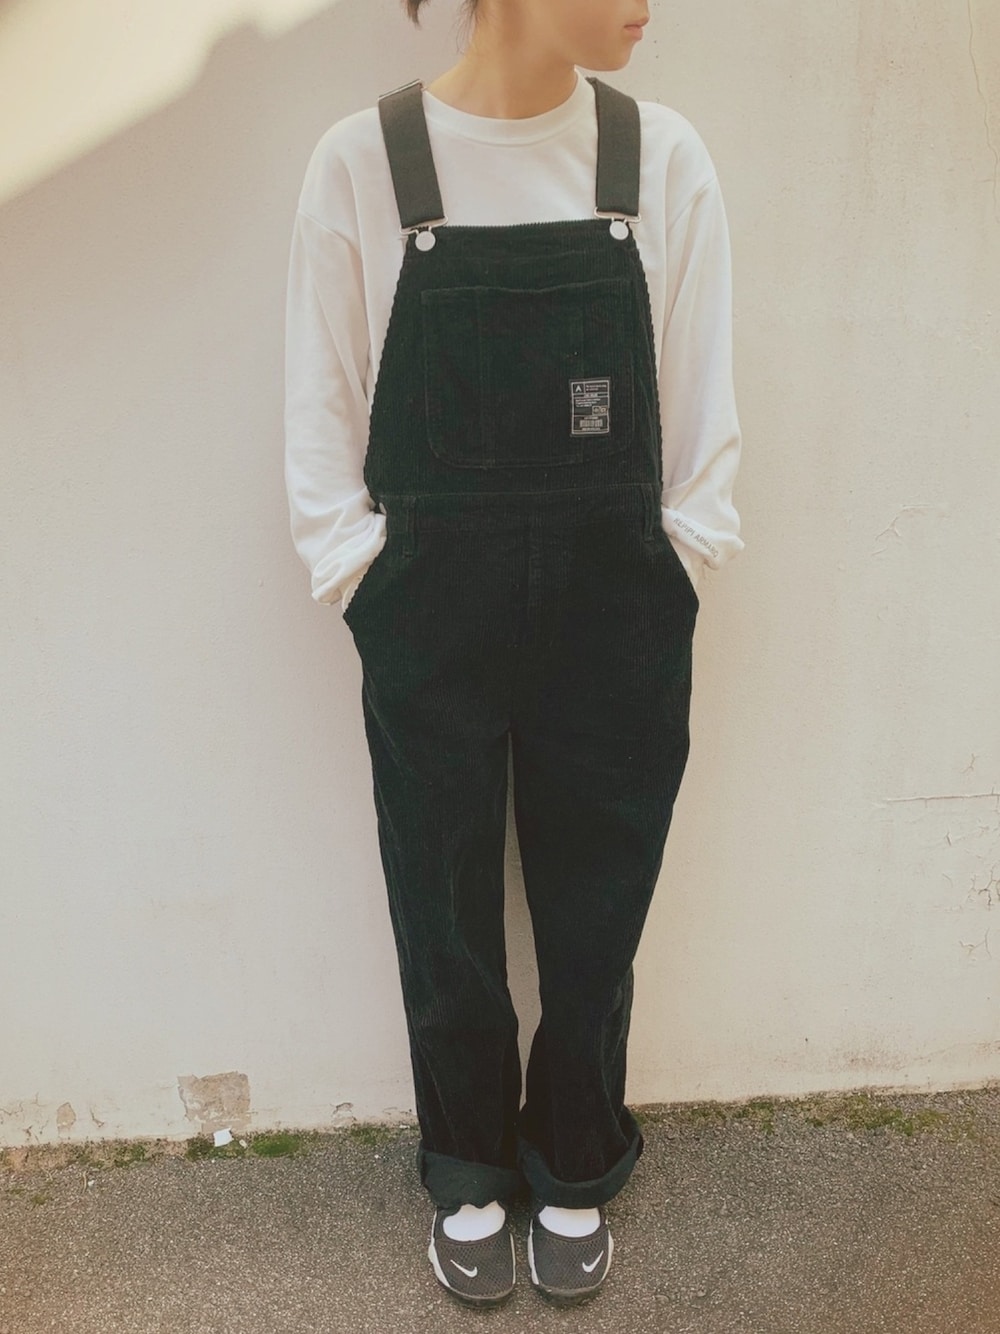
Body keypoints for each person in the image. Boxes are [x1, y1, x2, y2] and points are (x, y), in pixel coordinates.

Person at [284, 0, 744, 1308]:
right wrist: (364, 579)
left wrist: (680, 561)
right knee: (442, 904)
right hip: (429, 608)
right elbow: (321, 412)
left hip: (618, 598)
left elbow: (704, 409)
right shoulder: (367, 164)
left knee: (599, 903)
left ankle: (576, 1151)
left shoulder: (659, 161)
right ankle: (469, 1161)